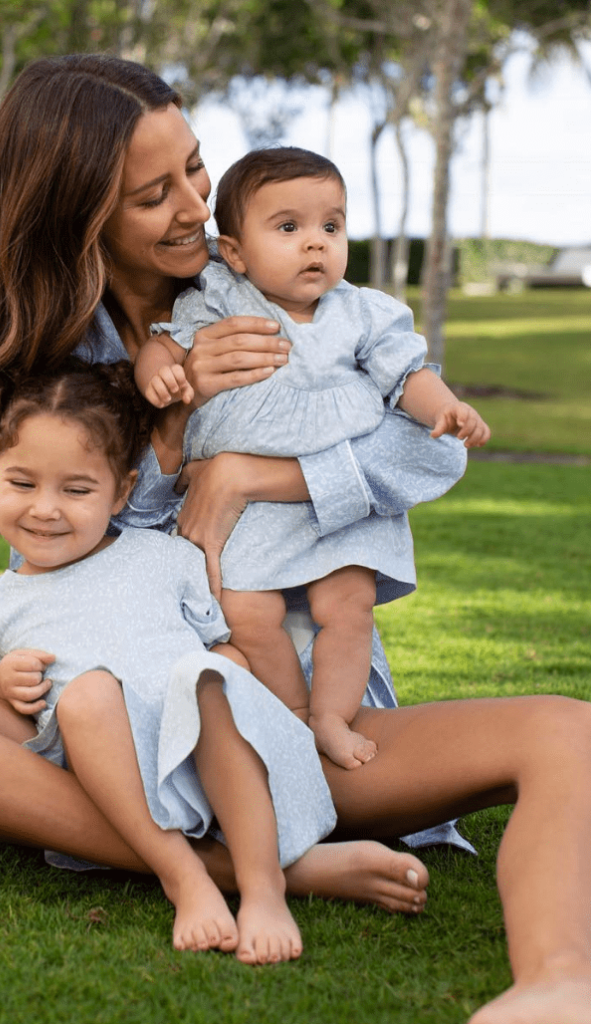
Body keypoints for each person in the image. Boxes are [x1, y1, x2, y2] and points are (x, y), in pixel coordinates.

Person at [0, 54, 591, 1023]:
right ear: (83, 220)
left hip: (291, 720)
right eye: (155, 194)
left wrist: (247, 474)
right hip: (121, 725)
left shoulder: (293, 303)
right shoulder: (61, 368)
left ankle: (562, 981)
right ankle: (248, 864)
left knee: (574, 730)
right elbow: (72, 565)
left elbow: (427, 455)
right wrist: (171, 429)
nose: (196, 204)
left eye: (194, 167)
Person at [0, 359, 424, 963]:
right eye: (22, 483)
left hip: (202, 752)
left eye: (77, 489)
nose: (45, 509)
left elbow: (218, 639)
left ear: (121, 489)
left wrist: (228, 661)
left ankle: (264, 890)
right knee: (87, 693)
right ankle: (183, 875)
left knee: (206, 677)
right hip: (115, 781)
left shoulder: (162, 557)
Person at [134, 147, 491, 770]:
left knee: (345, 607)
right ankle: (294, 715)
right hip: (251, 519)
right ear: (237, 252)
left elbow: (405, 377)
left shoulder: (362, 313)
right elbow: (166, 344)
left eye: (332, 226)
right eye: (289, 228)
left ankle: (331, 715)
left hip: (335, 508)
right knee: (246, 611)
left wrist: (445, 407)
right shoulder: (220, 296)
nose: (315, 245)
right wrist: (158, 372)